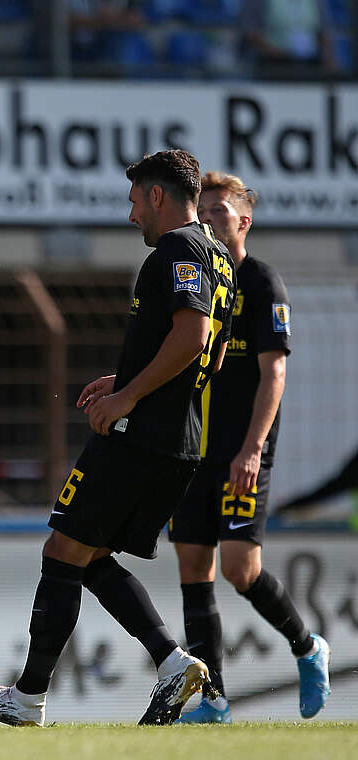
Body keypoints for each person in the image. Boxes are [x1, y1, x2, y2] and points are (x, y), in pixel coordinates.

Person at [0, 150, 237, 727]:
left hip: (140, 436)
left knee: (62, 550)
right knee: (87, 553)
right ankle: (171, 663)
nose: (132, 215)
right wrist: (129, 377)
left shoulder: (178, 249)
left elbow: (192, 335)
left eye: (135, 201)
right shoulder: (220, 258)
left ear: (157, 195)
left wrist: (128, 399)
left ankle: (29, 698)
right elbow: (213, 351)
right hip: (177, 439)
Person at [170, 172, 331, 724]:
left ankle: (307, 645)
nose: (208, 218)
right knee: (194, 564)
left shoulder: (261, 284)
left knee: (240, 568)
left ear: (244, 220)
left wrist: (252, 449)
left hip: (243, 452)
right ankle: (213, 700)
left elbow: (275, 371)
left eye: (218, 210)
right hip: (194, 451)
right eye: (203, 211)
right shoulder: (199, 280)